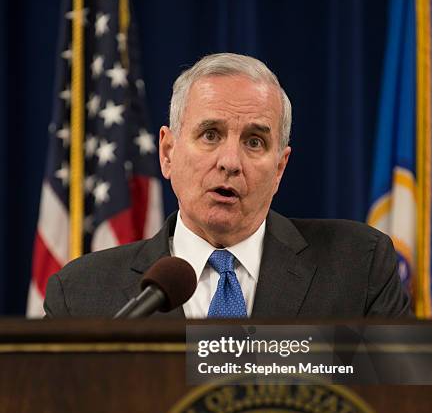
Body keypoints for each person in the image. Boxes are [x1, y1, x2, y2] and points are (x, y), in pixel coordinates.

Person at [44, 53, 410, 318]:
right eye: (210, 134)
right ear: (168, 153)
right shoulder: (81, 295)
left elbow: (399, 410)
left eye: (254, 142)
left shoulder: (356, 267)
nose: (230, 162)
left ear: (280, 167)